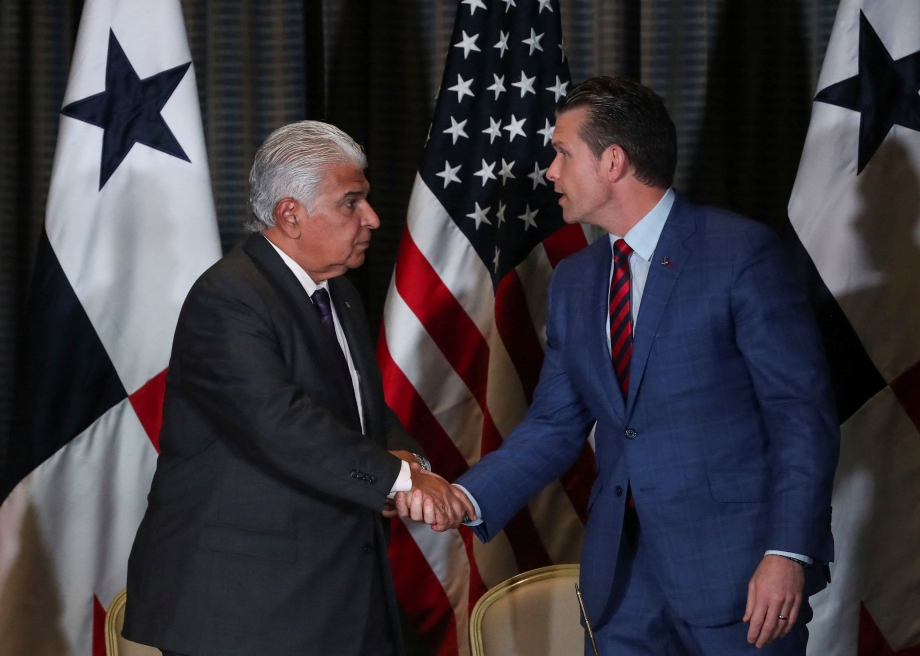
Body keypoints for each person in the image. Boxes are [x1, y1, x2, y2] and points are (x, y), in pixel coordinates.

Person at [399, 78, 839, 654]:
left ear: (613, 161)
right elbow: (555, 425)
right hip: (621, 582)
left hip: (737, 575)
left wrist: (787, 552)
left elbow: (799, 416)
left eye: (561, 153)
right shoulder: (577, 282)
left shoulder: (740, 254)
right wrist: (467, 496)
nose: (550, 171)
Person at [123, 121, 475, 656]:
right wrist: (402, 478)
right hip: (246, 611)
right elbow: (278, 423)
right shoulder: (230, 297)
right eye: (351, 203)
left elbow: (365, 413)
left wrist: (409, 461)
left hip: (335, 598)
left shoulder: (339, 295)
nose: (372, 219)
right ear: (291, 214)